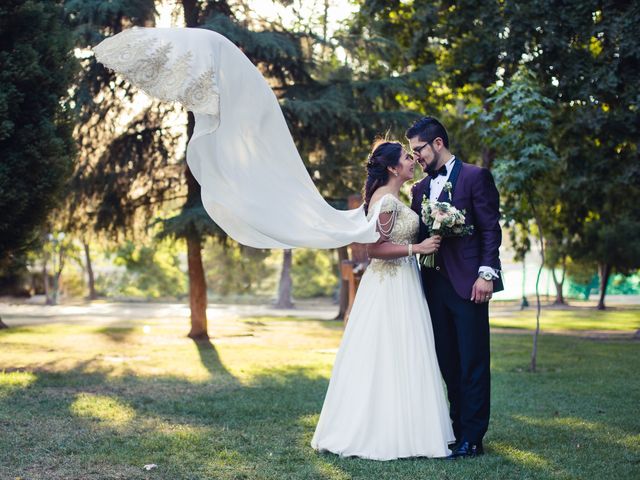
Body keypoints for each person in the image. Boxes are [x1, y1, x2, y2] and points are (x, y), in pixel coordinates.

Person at [310, 140, 454, 460]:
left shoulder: (391, 197)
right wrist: (417, 249)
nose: (412, 160)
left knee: (401, 351)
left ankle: (407, 429)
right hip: (391, 284)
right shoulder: (387, 201)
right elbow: (374, 249)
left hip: (402, 281)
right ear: (392, 167)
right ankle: (384, 432)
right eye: (406, 157)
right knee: (390, 351)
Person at [407, 117, 503, 459]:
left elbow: (491, 230)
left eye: (418, 149)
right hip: (432, 284)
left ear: (436, 143)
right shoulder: (418, 190)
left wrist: (486, 275)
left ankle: (473, 437)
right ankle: (455, 427)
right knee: (446, 361)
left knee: (472, 361)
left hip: (469, 284)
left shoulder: (476, 177)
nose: (415, 156)